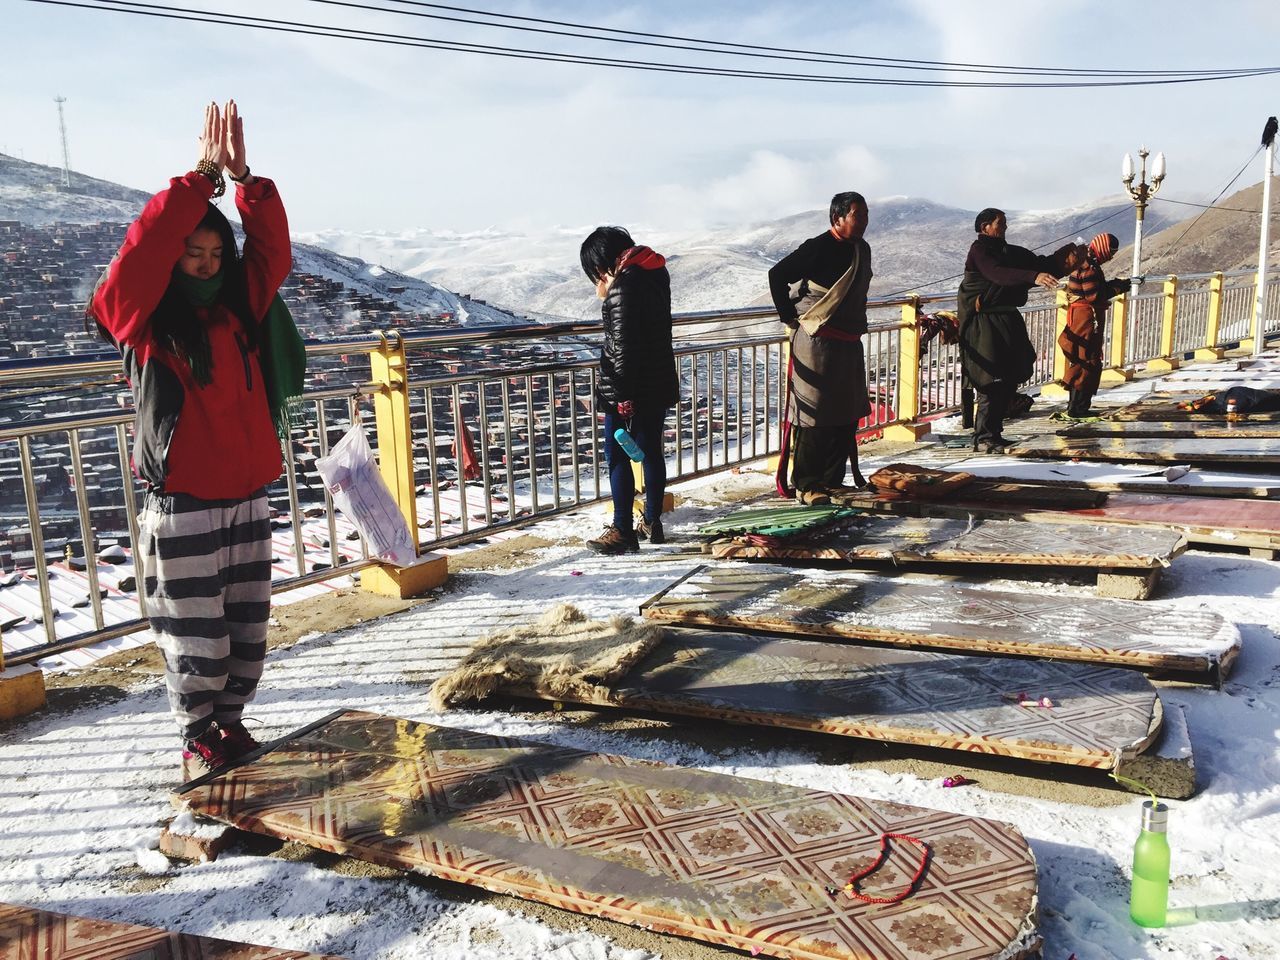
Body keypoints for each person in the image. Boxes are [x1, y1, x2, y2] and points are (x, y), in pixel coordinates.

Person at [86, 101, 297, 771]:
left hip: (247, 493)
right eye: (192, 253)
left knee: (246, 631)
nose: (205, 265)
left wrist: (247, 184)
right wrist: (199, 181)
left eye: (215, 253)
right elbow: (137, 259)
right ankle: (198, 732)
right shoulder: (139, 320)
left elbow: (272, 252)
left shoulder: (240, 309)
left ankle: (230, 723)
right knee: (194, 632)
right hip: (182, 502)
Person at [579, 226, 680, 555]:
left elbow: (622, 347)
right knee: (651, 452)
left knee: (617, 455)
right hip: (657, 380)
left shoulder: (623, 285)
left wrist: (622, 395)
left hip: (629, 387)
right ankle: (652, 521)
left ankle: (622, 528)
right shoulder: (654, 273)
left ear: (602, 262)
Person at [768, 192, 873, 504]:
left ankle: (832, 479)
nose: (864, 221)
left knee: (846, 412)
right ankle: (807, 484)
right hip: (817, 342)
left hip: (848, 343)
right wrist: (788, 316)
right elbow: (777, 275)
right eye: (858, 214)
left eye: (866, 214)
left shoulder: (861, 249)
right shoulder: (818, 247)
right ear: (837, 218)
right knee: (815, 415)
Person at [958, 208, 1077, 453]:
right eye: (1000, 223)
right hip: (983, 324)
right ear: (985, 227)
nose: (1005, 227)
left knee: (1010, 373)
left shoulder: (1010, 252)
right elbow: (997, 274)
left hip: (1006, 319)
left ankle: (995, 433)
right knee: (990, 379)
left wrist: (1067, 259)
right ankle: (984, 437)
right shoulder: (979, 251)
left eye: (1005, 222)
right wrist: (1033, 277)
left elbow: (1040, 264)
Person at [1057, 233, 1126, 419]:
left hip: (1082, 317)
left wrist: (1114, 286)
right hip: (1086, 318)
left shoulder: (1085, 262)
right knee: (1087, 359)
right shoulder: (1089, 267)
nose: (1111, 257)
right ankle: (1077, 408)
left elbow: (1095, 290)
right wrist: (1118, 288)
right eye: (1110, 252)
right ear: (1102, 248)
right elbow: (1094, 296)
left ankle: (1077, 406)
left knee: (1082, 357)